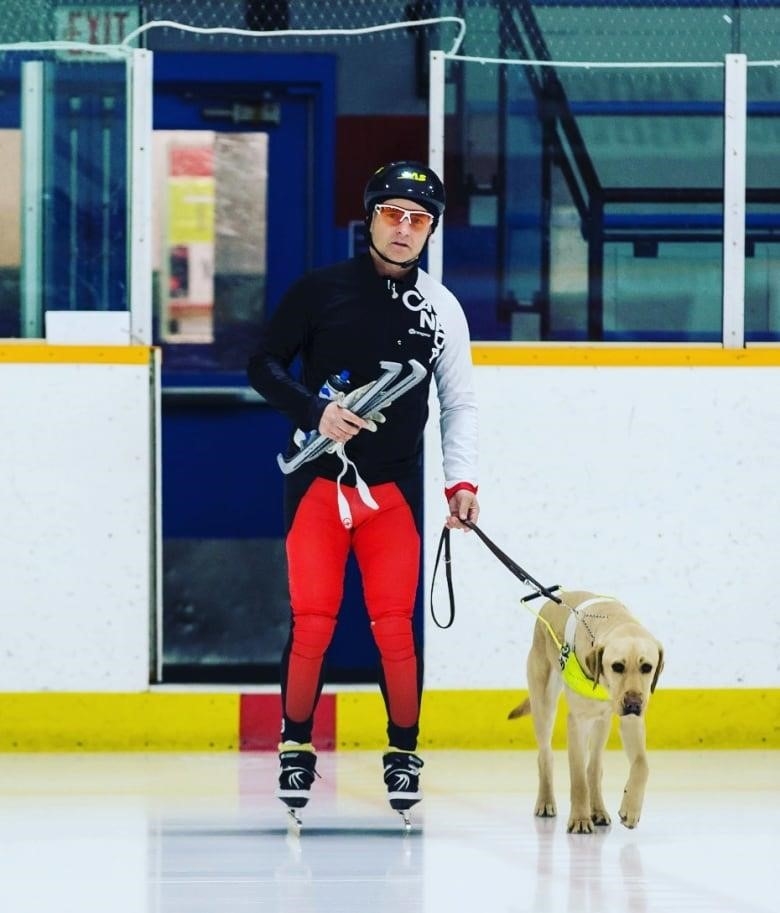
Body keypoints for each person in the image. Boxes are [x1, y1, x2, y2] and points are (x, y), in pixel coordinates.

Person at [246, 160, 479, 821]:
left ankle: (403, 752)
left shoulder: (442, 308)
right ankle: (295, 743)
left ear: (431, 231)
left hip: (394, 492)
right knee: (313, 622)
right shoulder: (320, 292)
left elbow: (460, 403)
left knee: (394, 629)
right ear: (370, 216)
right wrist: (311, 412)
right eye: (392, 215)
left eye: (419, 220)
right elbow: (261, 363)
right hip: (320, 481)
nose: (404, 230)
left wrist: (460, 480)